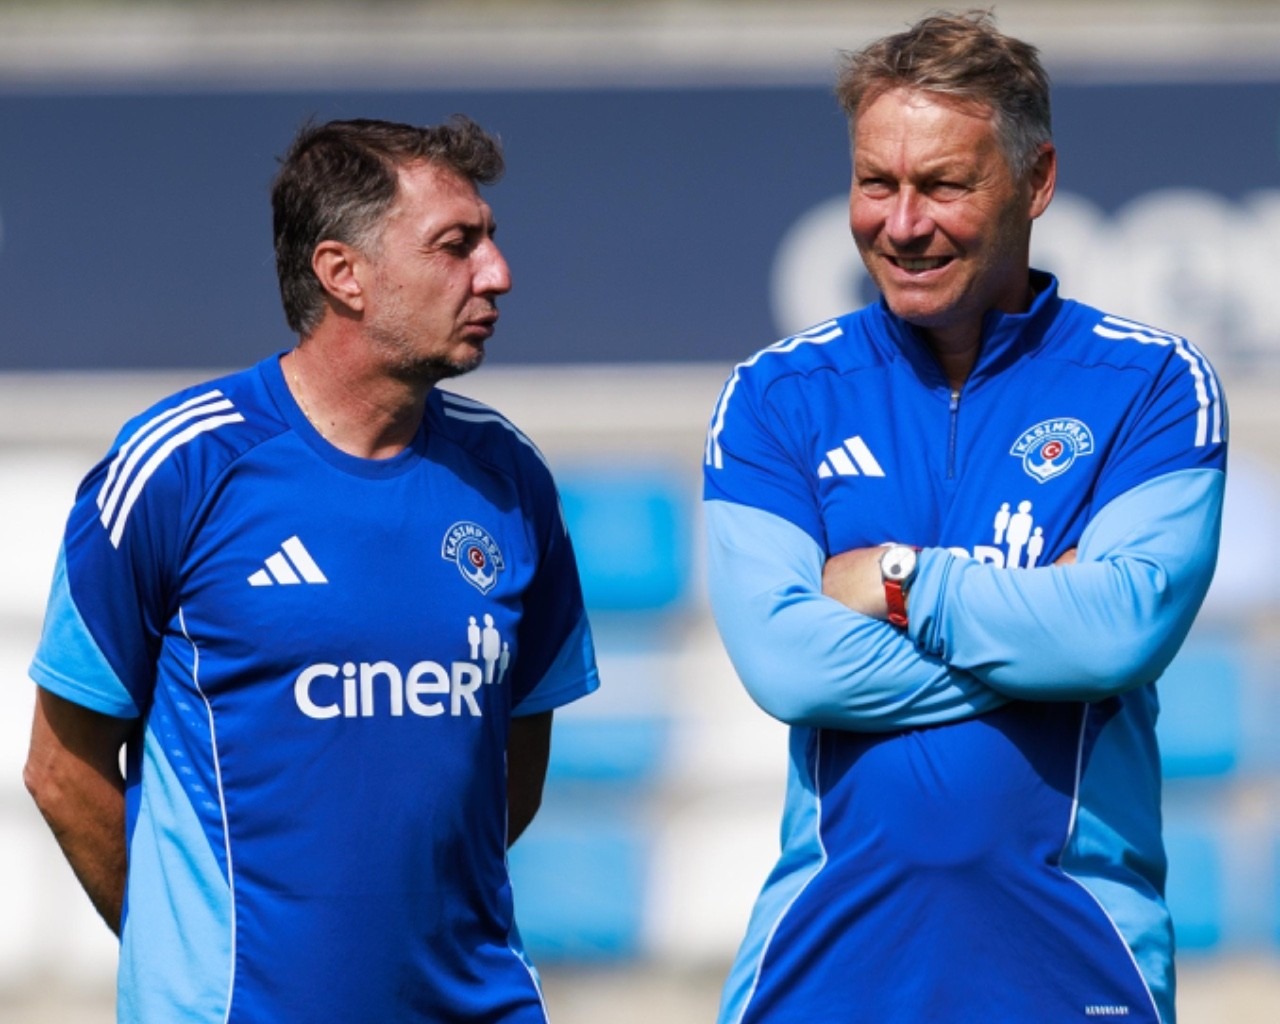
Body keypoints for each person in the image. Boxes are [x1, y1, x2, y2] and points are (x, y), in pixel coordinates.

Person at [703, 11, 1225, 1024]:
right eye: (874, 183)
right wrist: (1040, 619)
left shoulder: (1151, 384)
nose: (900, 224)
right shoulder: (776, 394)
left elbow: (1116, 633)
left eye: (941, 185)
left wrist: (896, 580)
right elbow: (784, 663)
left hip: (1075, 967)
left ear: (1033, 182)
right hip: (821, 971)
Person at [24, 115, 600, 1022]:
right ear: (344, 274)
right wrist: (182, 955)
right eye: (458, 245)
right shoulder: (180, 467)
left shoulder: (509, 478)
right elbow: (63, 768)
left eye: (490, 240)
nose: (498, 272)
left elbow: (513, 763)